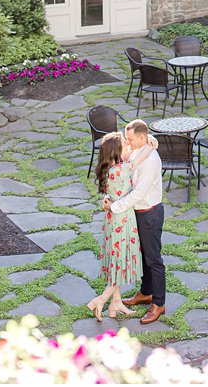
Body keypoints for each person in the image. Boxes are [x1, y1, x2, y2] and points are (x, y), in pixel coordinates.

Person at [104, 119, 166, 325]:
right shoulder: (140, 148)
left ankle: (159, 303)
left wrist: (114, 207)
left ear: (140, 138)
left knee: (154, 259)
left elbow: (138, 194)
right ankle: (146, 292)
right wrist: (151, 140)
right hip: (138, 213)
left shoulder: (150, 161)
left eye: (130, 139)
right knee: (144, 255)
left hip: (149, 213)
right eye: (126, 139)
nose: (127, 143)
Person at [87, 132, 141, 322]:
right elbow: (138, 160)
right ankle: (100, 300)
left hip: (113, 220)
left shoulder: (110, 170)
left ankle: (115, 304)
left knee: (116, 261)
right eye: (125, 146)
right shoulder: (122, 169)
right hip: (123, 221)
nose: (129, 148)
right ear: (117, 152)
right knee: (120, 262)